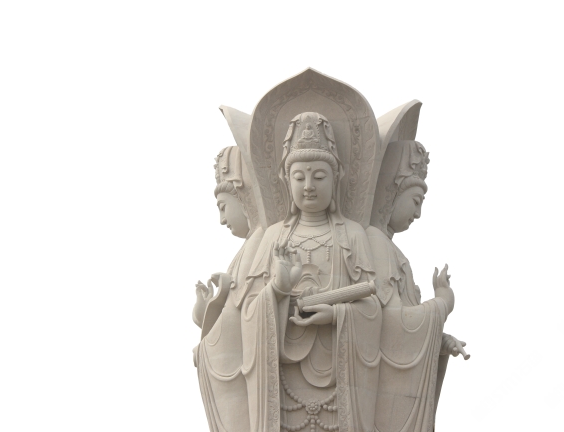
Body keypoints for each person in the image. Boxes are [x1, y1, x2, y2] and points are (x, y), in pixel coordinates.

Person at [240, 112, 382, 432]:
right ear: (286, 180)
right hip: (282, 388)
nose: (308, 187)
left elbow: (374, 307)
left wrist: (336, 315)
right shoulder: (273, 237)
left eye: (319, 176)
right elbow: (247, 313)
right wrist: (278, 288)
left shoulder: (353, 235)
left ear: (336, 179)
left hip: (341, 383)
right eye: (299, 177)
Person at [367, 140, 468, 432]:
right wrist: (442, 304)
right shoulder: (375, 243)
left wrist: (438, 340)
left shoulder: (390, 250)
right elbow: (391, 323)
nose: (419, 213)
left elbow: (403, 328)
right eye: (416, 200)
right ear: (393, 193)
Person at [192, 146, 264, 432]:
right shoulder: (246, 249)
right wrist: (208, 307)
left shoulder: (261, 242)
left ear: (243, 198)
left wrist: (224, 298)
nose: (222, 220)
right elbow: (235, 309)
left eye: (223, 207)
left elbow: (251, 305)